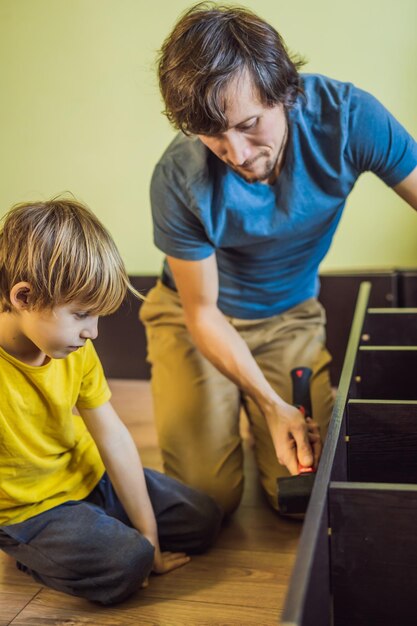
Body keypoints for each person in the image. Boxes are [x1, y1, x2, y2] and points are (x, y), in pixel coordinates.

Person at [140, 2, 417, 516]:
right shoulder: (178, 176)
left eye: (248, 125)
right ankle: (244, 406)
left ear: (285, 93)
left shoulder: (350, 119)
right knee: (207, 501)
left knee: (302, 496)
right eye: (212, 134)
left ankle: (248, 408)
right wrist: (272, 404)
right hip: (193, 319)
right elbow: (202, 313)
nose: (237, 153)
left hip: (287, 317)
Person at [0, 198, 222, 605]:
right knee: (127, 563)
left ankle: (99, 527)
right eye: (82, 314)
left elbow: (112, 437)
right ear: (24, 297)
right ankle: (37, 556)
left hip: (89, 478)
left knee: (203, 518)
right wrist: (140, 550)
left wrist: (150, 535)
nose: (93, 333)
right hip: (29, 512)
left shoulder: (73, 347)